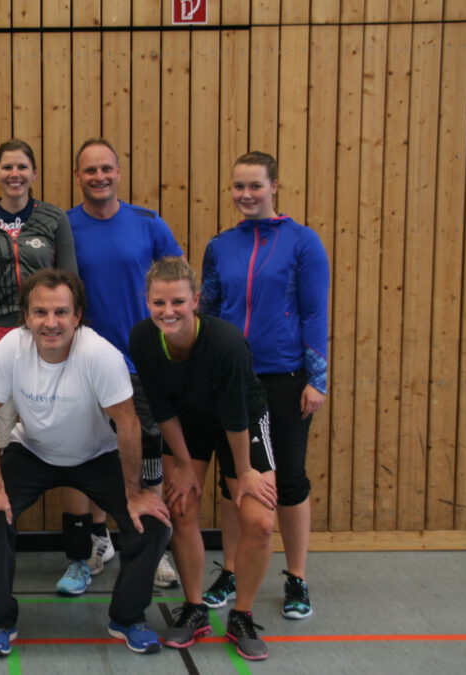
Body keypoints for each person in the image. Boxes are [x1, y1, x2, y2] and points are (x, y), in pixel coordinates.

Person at [0, 268, 172, 657]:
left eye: (61, 312)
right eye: (40, 312)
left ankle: (127, 617)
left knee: (151, 525)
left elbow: (128, 424)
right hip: (32, 452)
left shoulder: (100, 354)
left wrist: (134, 493)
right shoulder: (11, 349)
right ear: (26, 317)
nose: (51, 323)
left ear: (77, 316)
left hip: (96, 454)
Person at [199, 151, 329, 620]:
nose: (246, 195)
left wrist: (317, 380)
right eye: (238, 187)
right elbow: (208, 312)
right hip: (230, 379)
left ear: (274, 186)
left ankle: (296, 578)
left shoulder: (302, 242)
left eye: (255, 186)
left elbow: (315, 313)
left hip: (285, 378)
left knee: (288, 480)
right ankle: (231, 570)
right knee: (235, 480)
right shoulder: (220, 246)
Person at [129, 257, 277, 661]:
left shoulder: (225, 343)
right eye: (159, 303)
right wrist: (181, 466)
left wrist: (244, 472)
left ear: (195, 300)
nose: (168, 311)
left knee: (260, 521)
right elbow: (161, 409)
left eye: (177, 301)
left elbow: (234, 415)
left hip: (242, 422)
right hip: (188, 423)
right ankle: (195, 609)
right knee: (180, 507)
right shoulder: (143, 338)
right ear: (147, 302)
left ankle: (242, 614)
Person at [60, 137, 183, 594]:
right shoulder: (64, 226)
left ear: (118, 171)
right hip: (84, 362)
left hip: (143, 364)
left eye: (106, 169)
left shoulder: (148, 224)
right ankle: (97, 543)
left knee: (148, 456)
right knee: (89, 455)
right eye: (90, 170)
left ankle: (154, 548)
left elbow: (178, 290)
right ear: (78, 177)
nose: (99, 177)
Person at [0, 138, 78, 496]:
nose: (15, 174)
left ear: (34, 173)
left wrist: (74, 352)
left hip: (49, 344)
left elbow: (72, 287)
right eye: (7, 167)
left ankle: (81, 538)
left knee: (71, 445)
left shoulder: (53, 218)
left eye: (22, 167)